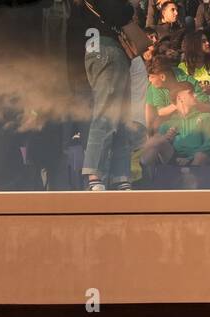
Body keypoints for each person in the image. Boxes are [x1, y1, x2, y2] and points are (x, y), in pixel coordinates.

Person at [78, 0, 138, 190]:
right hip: (107, 50)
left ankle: (120, 176)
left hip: (95, 49)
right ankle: (96, 174)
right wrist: (129, 6)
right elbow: (119, 11)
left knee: (119, 116)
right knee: (107, 114)